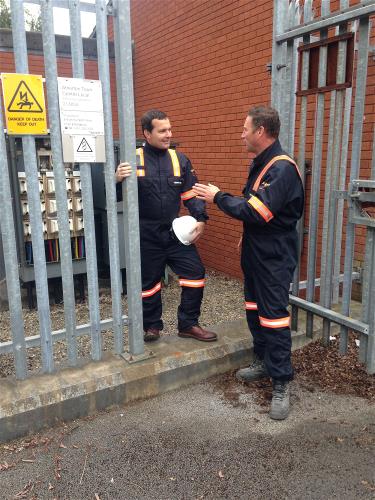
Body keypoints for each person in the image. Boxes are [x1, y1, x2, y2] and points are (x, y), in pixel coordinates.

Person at [193, 105, 304, 420]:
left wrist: (217, 197)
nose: (241, 134)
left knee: (273, 317)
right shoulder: (263, 163)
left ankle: (281, 381)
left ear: (261, 132)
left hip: (274, 256)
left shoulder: (281, 168)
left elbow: (258, 211)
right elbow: (256, 208)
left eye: (245, 129)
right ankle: (263, 361)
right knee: (254, 309)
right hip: (257, 249)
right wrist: (249, 234)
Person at [116, 109, 217, 343]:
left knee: (195, 273)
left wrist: (201, 219)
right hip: (146, 234)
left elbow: (191, 193)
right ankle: (151, 326)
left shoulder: (179, 159)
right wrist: (116, 180)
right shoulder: (132, 160)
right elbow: (111, 197)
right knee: (149, 283)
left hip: (174, 234)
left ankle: (188, 324)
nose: (168, 134)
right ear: (147, 133)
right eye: (162, 130)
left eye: (170, 129)